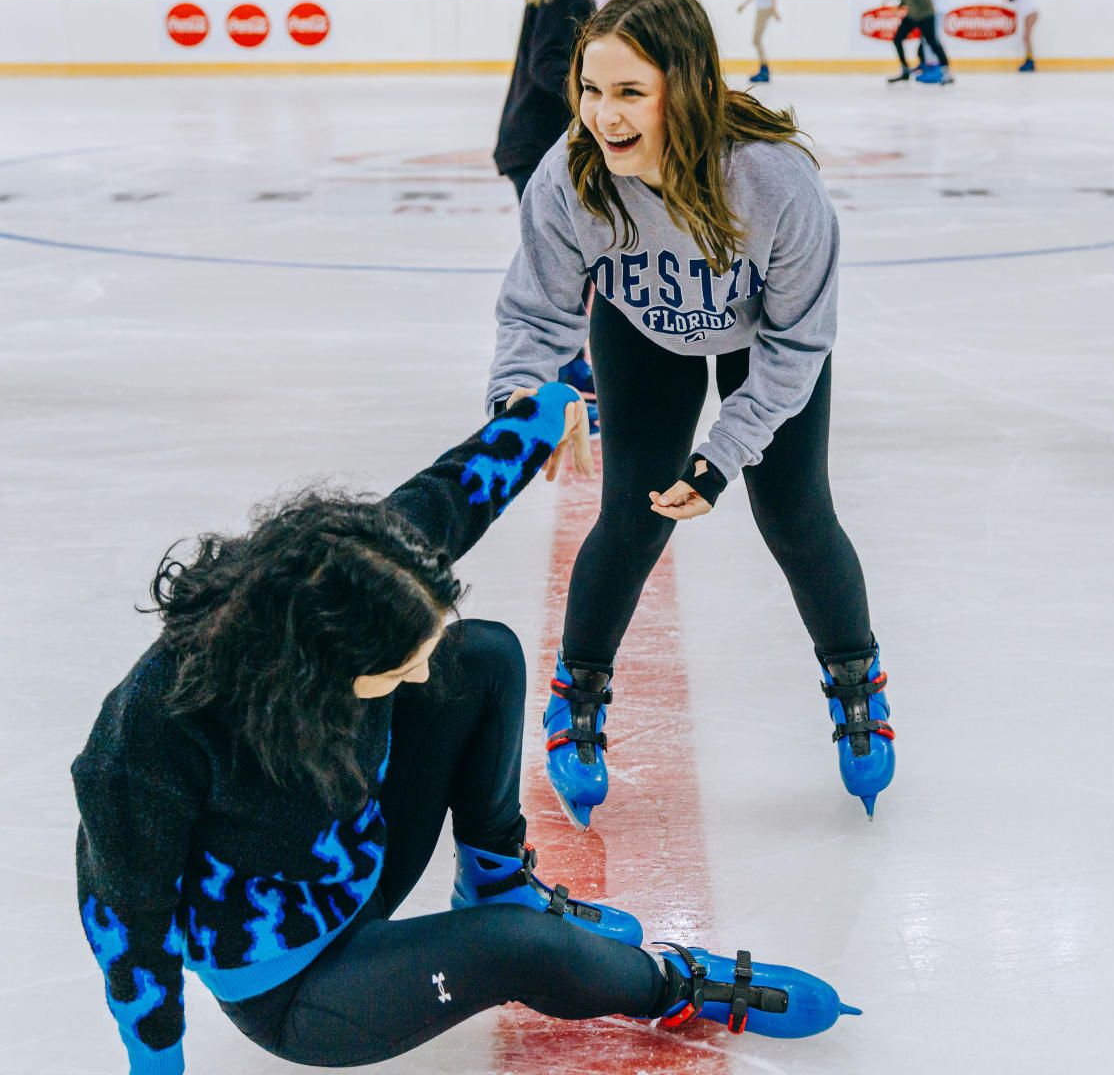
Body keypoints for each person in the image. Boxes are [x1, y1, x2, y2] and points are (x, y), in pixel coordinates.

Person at [72, 384, 859, 1074]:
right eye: (395, 668)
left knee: (479, 654)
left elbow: (458, 489)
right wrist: (155, 1063)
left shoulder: (349, 569)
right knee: (516, 946)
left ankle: (494, 870)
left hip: (360, 856)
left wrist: (552, 409)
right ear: (313, 668)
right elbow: (125, 922)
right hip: (297, 983)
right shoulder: (153, 733)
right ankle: (674, 985)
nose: (417, 675)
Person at [486, 0, 896, 832]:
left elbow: (797, 346)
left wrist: (722, 457)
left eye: (630, 92)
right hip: (642, 332)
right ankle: (577, 700)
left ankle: (858, 684)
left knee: (793, 512)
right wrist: (526, 400)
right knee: (634, 514)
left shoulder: (776, 182)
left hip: (765, 339)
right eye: (591, 90)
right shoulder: (571, 177)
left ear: (689, 86)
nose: (603, 115)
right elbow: (536, 315)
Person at [494, 0, 650, 432]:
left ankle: (574, 368)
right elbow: (548, 64)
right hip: (540, 147)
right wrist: (600, 109)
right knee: (563, 265)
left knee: (573, 263)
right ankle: (566, 378)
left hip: (530, 142)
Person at [736, 0, 780, 84]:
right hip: (762, 8)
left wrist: (773, 8)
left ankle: (764, 70)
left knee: (756, 39)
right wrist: (744, 4)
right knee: (756, 39)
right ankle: (764, 69)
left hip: (764, 9)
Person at [1002, 0, 1039, 72]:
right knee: (1026, 37)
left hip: (1030, 13)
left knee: (1026, 37)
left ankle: (1030, 61)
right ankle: (1029, 59)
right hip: (1028, 13)